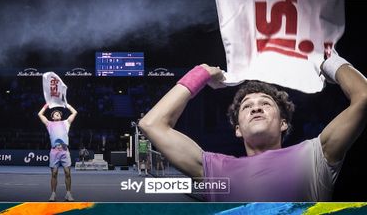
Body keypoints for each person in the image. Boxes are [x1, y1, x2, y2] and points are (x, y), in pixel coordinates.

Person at [138, 52, 367, 201]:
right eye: (247, 107)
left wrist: (329, 61)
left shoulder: (316, 155)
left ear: (283, 123)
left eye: (265, 104)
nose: (256, 108)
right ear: (238, 129)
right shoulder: (214, 170)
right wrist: (203, 73)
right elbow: (151, 124)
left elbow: (364, 97)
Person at [38, 103, 78, 202]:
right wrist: (46, 105)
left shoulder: (66, 123)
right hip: (54, 151)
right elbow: (40, 114)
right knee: (54, 173)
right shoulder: (49, 124)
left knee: (67, 173)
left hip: (64, 150)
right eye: (55, 114)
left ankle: (68, 194)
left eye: (59, 114)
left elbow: (75, 112)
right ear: (52, 117)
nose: (57, 114)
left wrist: (66, 104)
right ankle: (53, 194)